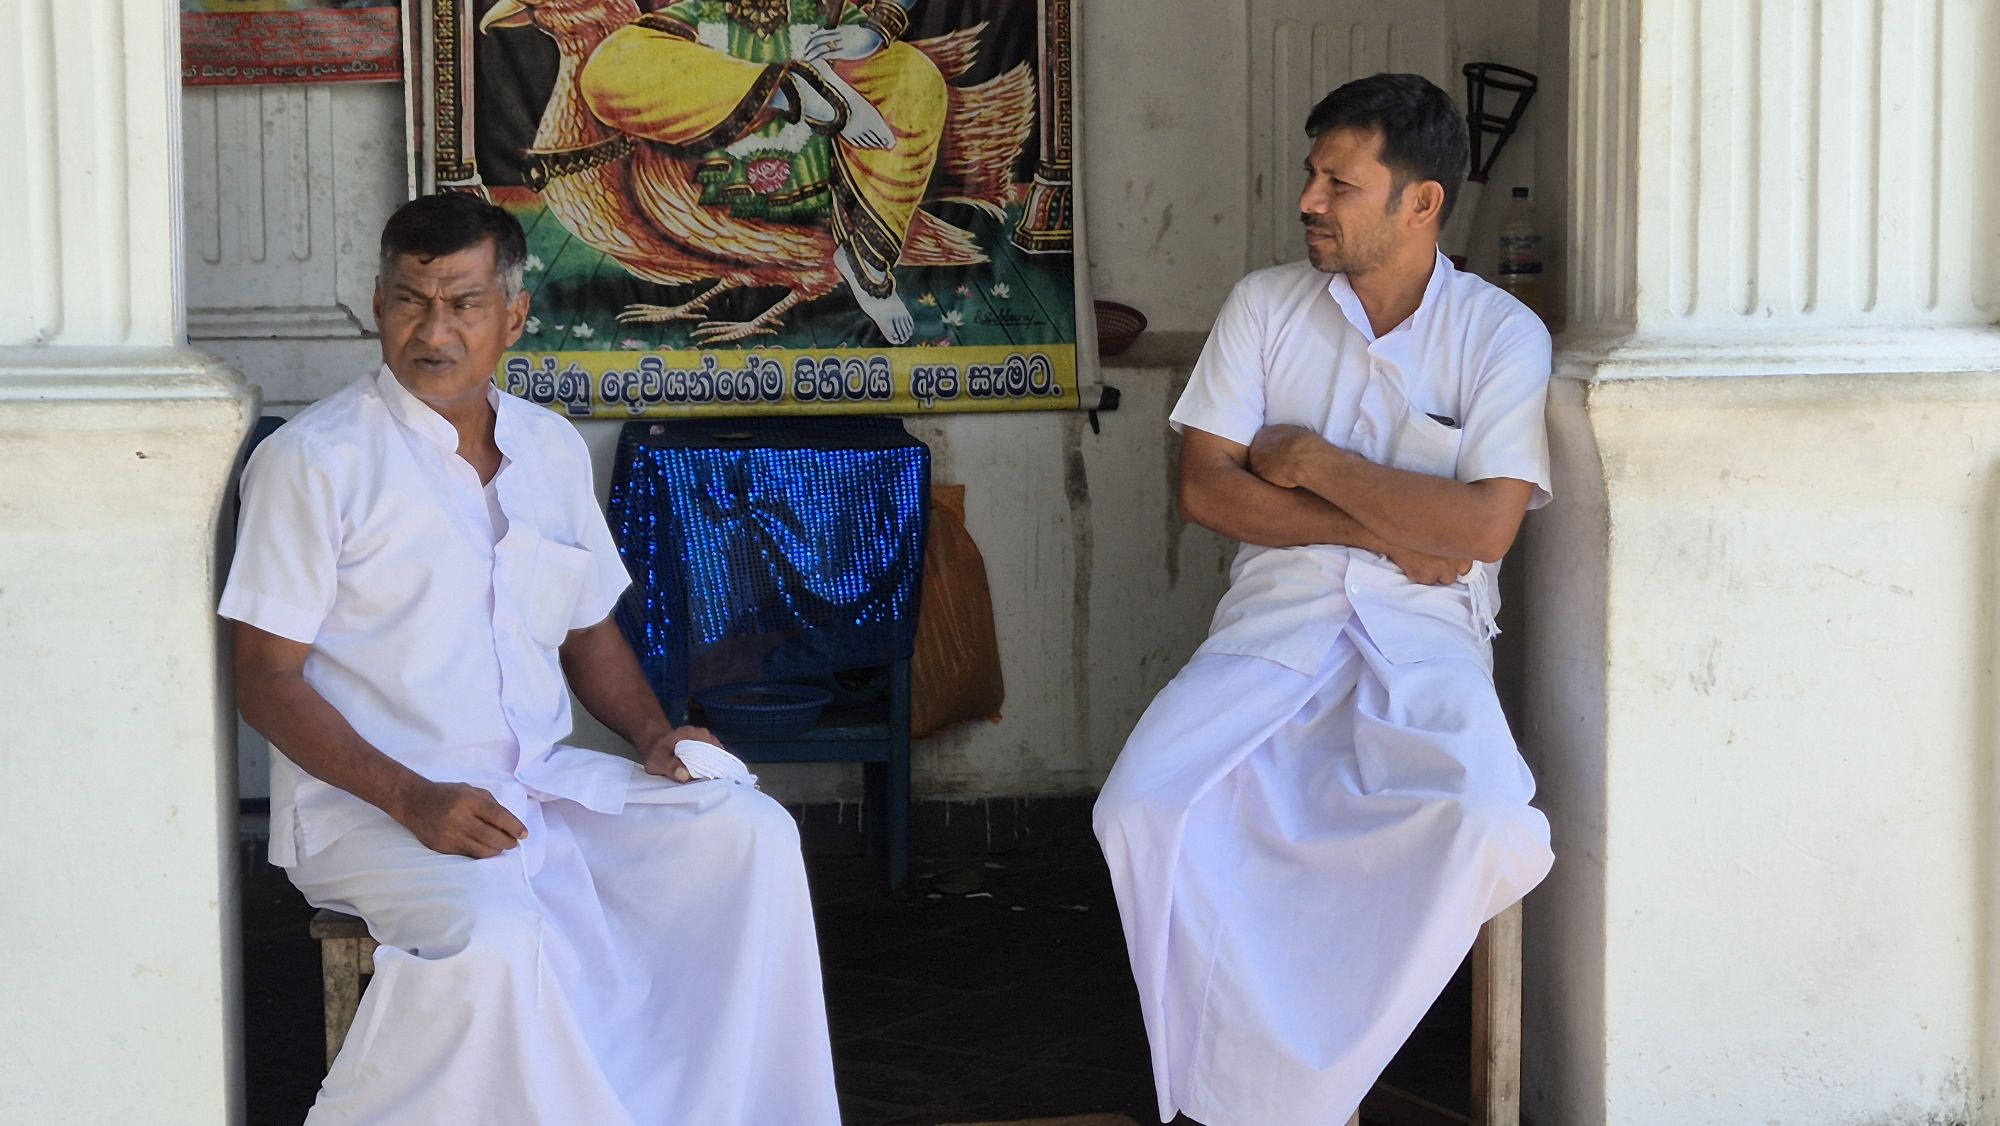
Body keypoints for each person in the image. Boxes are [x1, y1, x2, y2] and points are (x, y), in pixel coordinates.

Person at [222, 192, 840, 1125]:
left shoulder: (548, 446)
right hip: (373, 812)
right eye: (409, 301)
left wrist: (653, 736)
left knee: (747, 834)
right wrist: (411, 798)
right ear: (379, 305)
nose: (433, 331)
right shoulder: (314, 461)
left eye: (463, 304)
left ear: (514, 316)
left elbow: (586, 629)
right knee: (496, 937)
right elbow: (264, 679)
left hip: (537, 786)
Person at [1092, 73, 1556, 1126]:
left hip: (1425, 640)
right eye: (1313, 176)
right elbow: (1207, 490)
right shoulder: (1263, 306)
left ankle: (1314, 1081)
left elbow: (1483, 530)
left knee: (1487, 823)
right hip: (1273, 626)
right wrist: (1385, 525)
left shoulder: (1500, 335)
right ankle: (1239, 1092)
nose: (1308, 199)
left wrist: (1312, 463)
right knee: (1142, 808)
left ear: (1420, 202)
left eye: (1338, 184)